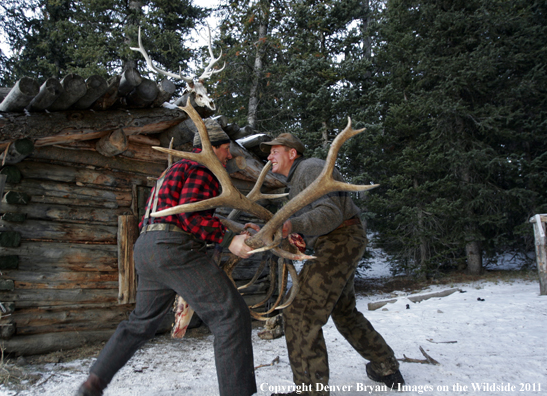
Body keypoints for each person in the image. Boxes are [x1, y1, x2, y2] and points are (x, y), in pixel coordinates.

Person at [76, 121, 257, 396]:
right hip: (175, 250)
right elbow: (191, 215)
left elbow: (187, 213)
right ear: (213, 149)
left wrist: (233, 229)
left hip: (147, 248)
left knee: (140, 323)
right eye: (225, 150)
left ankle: (94, 382)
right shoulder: (203, 169)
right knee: (231, 317)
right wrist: (228, 241)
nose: (228, 156)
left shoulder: (173, 170)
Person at [260, 133, 404, 396]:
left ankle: (311, 391)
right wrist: (292, 234)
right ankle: (385, 365)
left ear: (292, 153)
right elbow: (314, 221)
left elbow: (331, 213)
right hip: (339, 242)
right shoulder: (297, 180)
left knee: (300, 311)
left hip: (339, 240)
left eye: (275, 151)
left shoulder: (310, 167)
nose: (269, 157)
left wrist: (296, 224)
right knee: (344, 312)